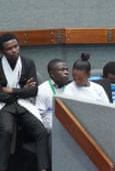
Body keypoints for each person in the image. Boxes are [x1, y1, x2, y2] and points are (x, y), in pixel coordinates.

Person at [0, 33, 50, 171]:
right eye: (9, 48)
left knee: (41, 131)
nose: (14, 50)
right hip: (5, 106)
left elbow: (33, 91)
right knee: (6, 130)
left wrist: (11, 90)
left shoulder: (28, 63)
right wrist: (22, 90)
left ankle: (43, 168)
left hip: (24, 104)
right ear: (2, 51)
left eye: (16, 46)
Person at [35, 59, 70, 130]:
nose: (66, 72)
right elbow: (38, 116)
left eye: (67, 69)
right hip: (49, 131)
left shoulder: (71, 88)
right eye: (62, 70)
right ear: (52, 74)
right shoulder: (42, 90)